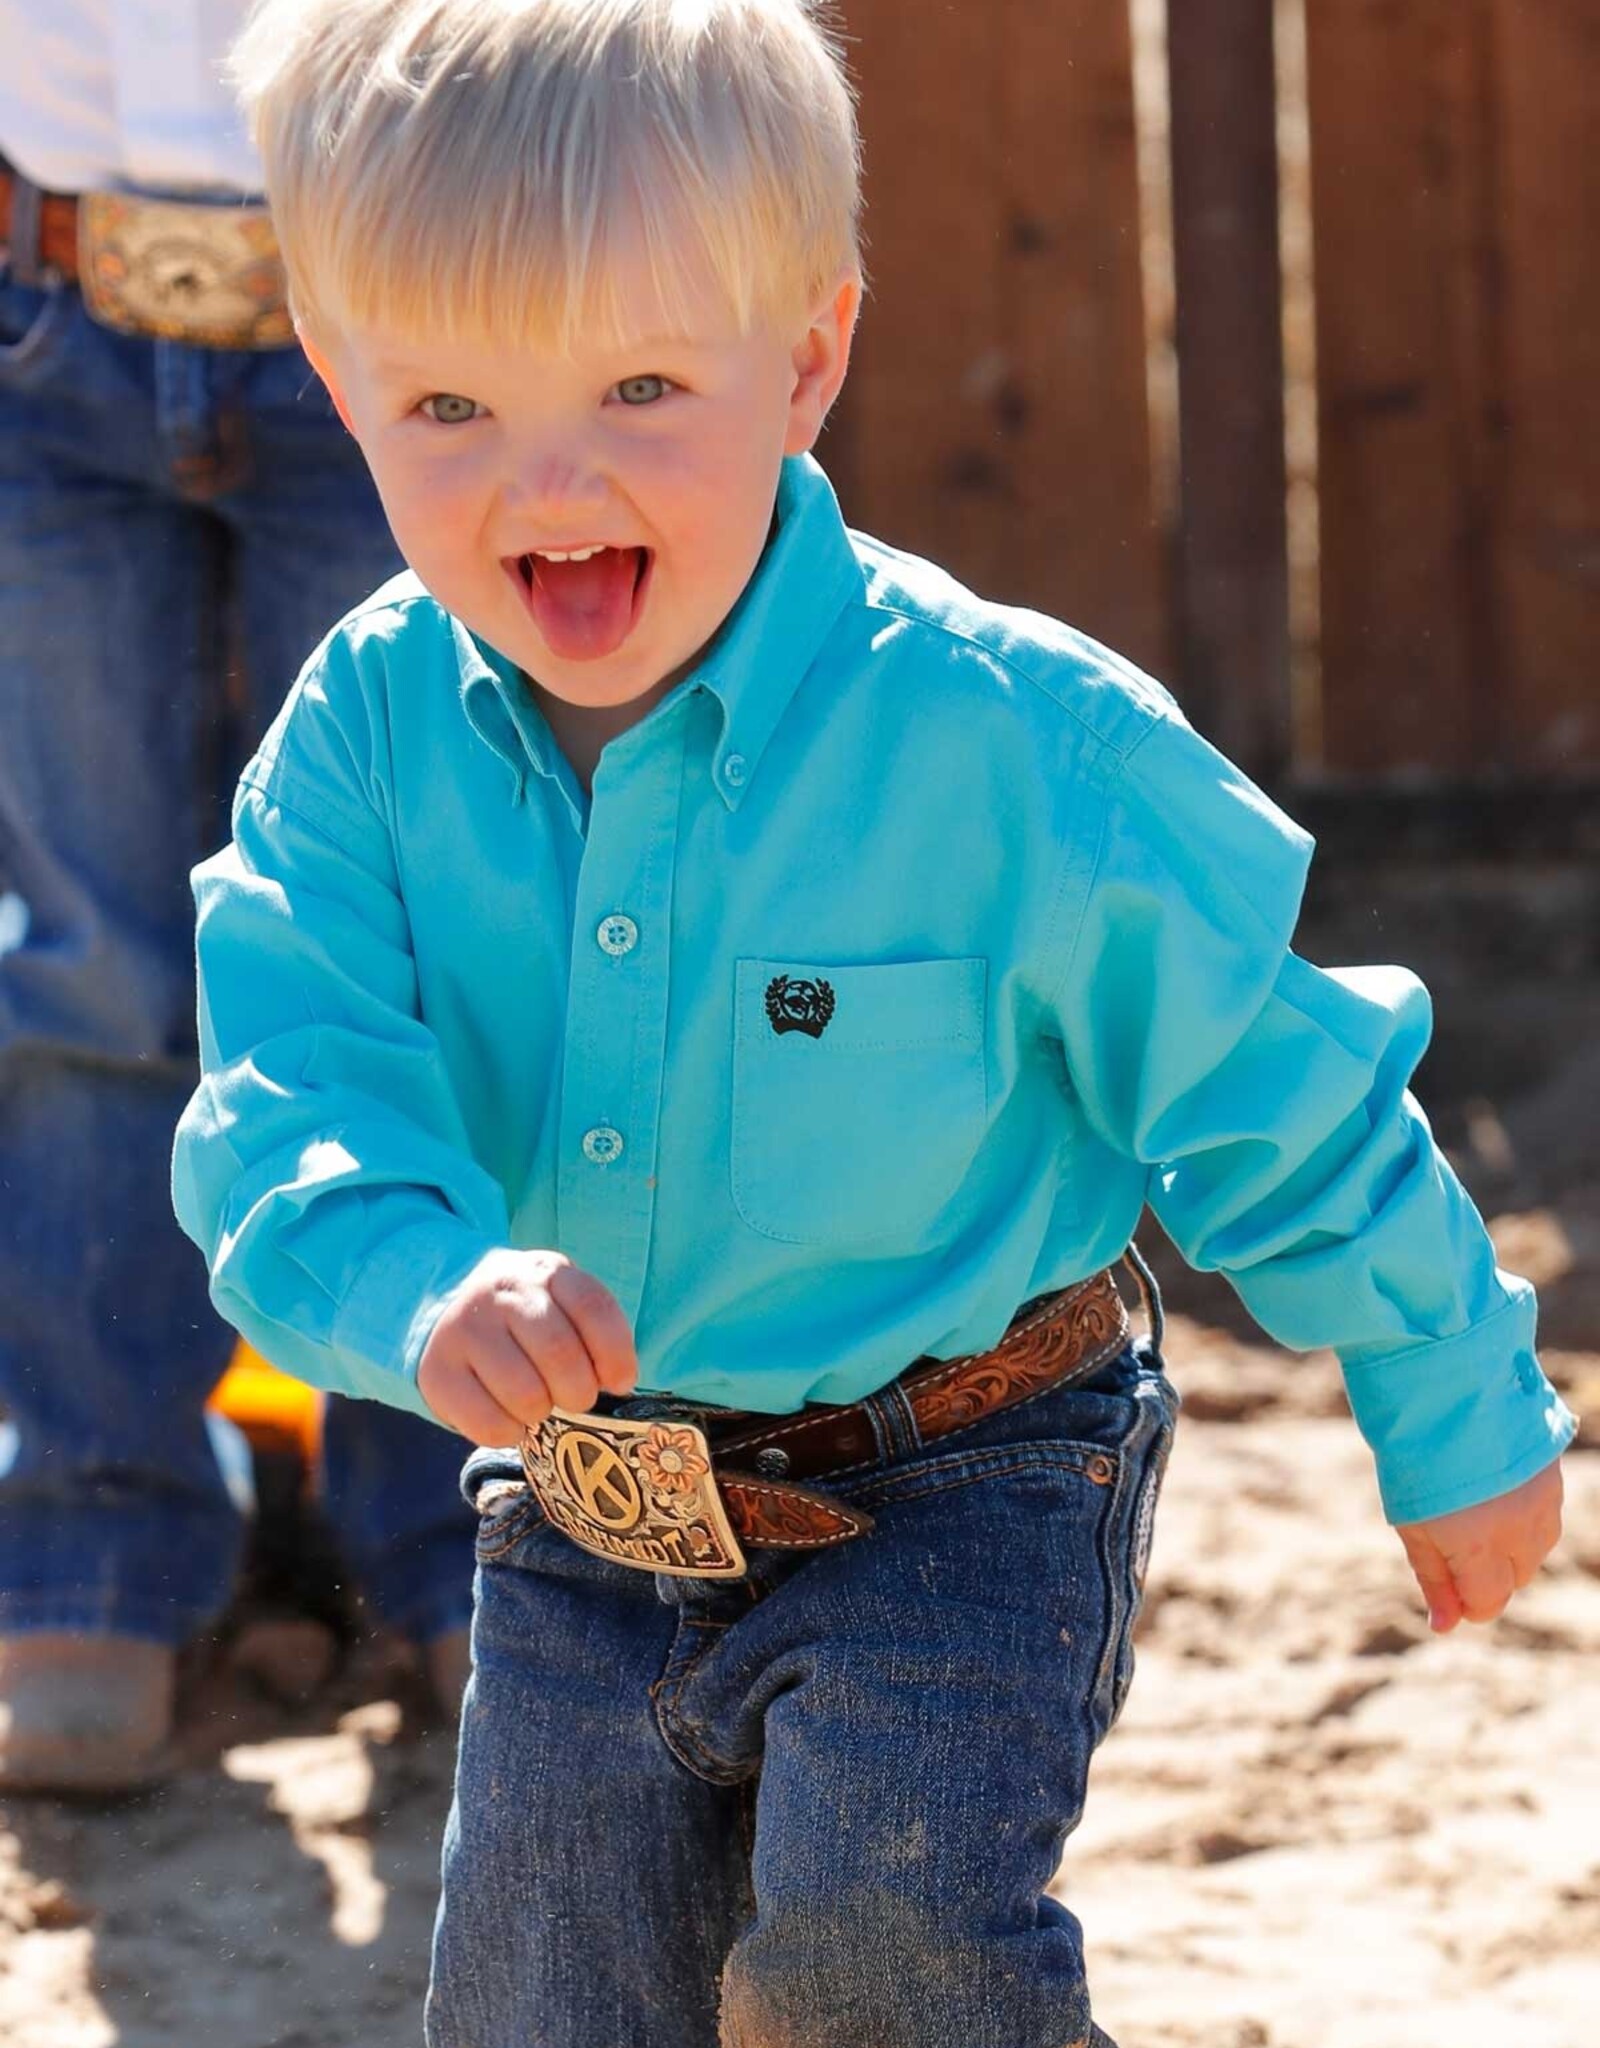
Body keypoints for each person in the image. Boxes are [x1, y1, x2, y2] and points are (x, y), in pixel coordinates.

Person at [172, 0, 1576, 2040]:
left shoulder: (1006, 739)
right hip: (587, 1505)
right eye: (450, 407)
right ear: (340, 383)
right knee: (544, 2000)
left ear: (806, 358)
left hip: (969, 1472)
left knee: (876, 1954)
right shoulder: (359, 747)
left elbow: (1273, 1090)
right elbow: (284, 1097)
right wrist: (414, 1286)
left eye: (642, 385)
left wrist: (1449, 1400)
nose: (547, 476)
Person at [0, 0, 475, 1796]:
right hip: (41, 310)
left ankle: (453, 1532)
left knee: (419, 948)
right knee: (92, 961)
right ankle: (89, 1542)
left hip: (402, 297)